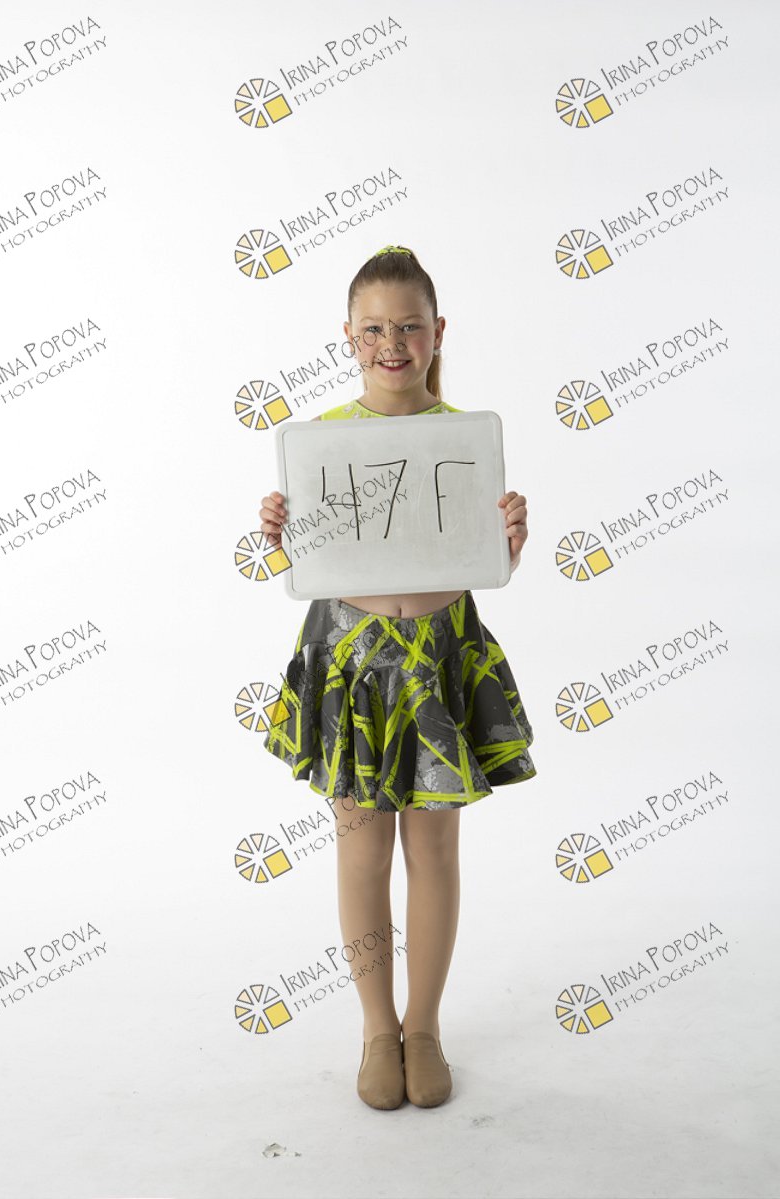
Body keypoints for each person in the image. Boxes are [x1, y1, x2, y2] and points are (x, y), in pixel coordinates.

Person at [258, 244, 536, 1111]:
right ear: (348, 337)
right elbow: (311, 565)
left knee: (435, 847)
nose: (391, 344)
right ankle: (377, 1028)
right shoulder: (322, 443)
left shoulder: (463, 439)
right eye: (374, 329)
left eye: (408, 327)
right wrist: (282, 535)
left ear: (436, 332)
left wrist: (509, 544)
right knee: (362, 847)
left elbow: (482, 565)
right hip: (356, 666)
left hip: (440, 658)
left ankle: (424, 1026)